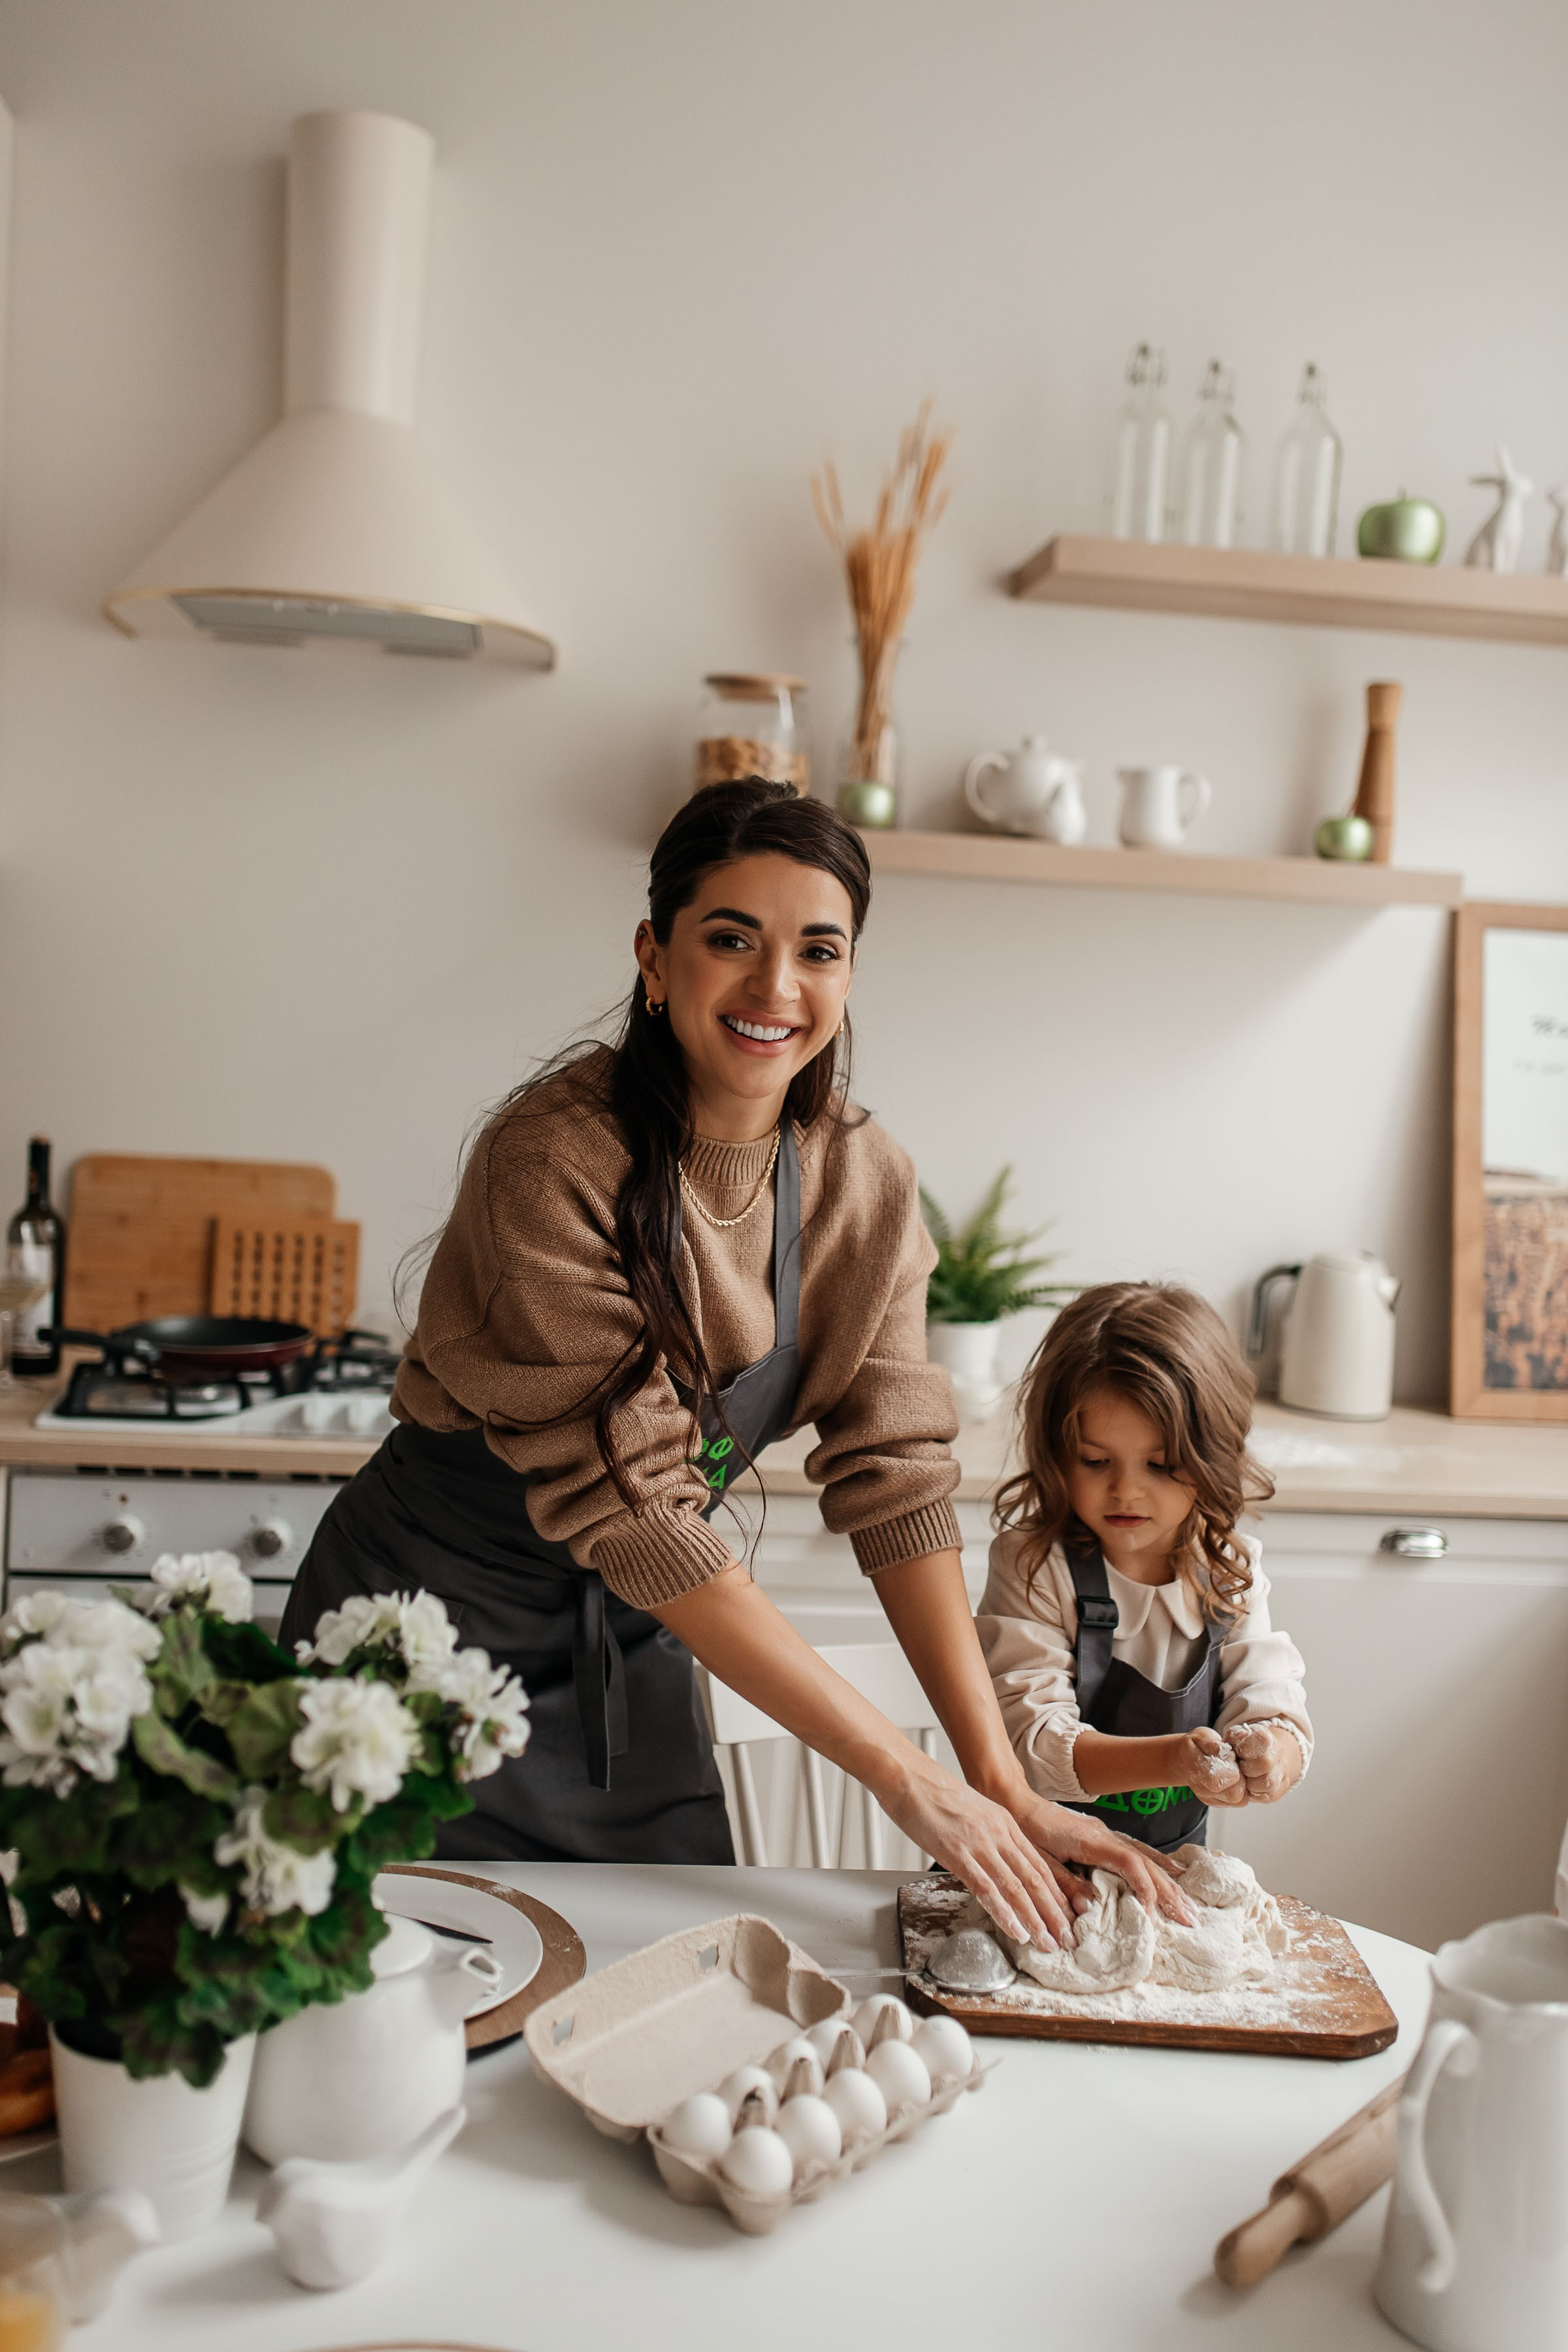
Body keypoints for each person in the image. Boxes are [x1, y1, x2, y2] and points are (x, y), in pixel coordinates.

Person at [280, 781, 1188, 1944]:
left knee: (664, 1979)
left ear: (850, 975)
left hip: (640, 1627)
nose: (775, 989)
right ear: (655, 960)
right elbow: (643, 1510)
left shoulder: (864, 1181)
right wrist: (903, 1781)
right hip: (421, 1639)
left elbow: (899, 1483)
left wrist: (1001, 1776)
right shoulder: (550, 1164)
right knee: (387, 1995)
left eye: (819, 950)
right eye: (731, 941)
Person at [978, 1281, 1313, 1852]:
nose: (1125, 1489)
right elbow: (1029, 1745)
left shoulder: (1227, 1570)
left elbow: (1269, 1693)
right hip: (1033, 1874)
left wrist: (1274, 1751)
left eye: (1161, 1465)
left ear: (1215, 1457)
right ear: (1055, 1454)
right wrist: (1176, 1760)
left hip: (1166, 1875)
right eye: (1095, 1460)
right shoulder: (1035, 1567)